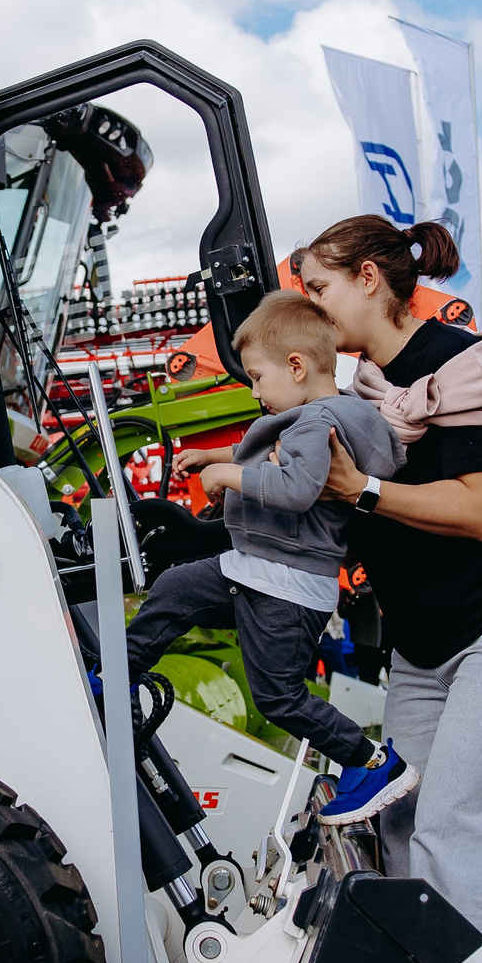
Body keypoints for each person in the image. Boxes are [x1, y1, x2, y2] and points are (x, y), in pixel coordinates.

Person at [297, 215, 482, 963]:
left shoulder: (456, 360)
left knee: (460, 828)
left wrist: (361, 490)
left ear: (368, 278)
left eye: (320, 287)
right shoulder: (361, 390)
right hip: (427, 646)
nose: (312, 305)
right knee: (402, 820)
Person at [128, 290, 411, 822]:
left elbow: (297, 485)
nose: (255, 391)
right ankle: (115, 677)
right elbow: (278, 453)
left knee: (278, 697)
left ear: (297, 366)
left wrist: (225, 474)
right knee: (176, 588)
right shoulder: (325, 415)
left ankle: (371, 762)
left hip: (285, 584)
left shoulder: (314, 422)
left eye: (258, 377)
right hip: (259, 568)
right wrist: (218, 455)